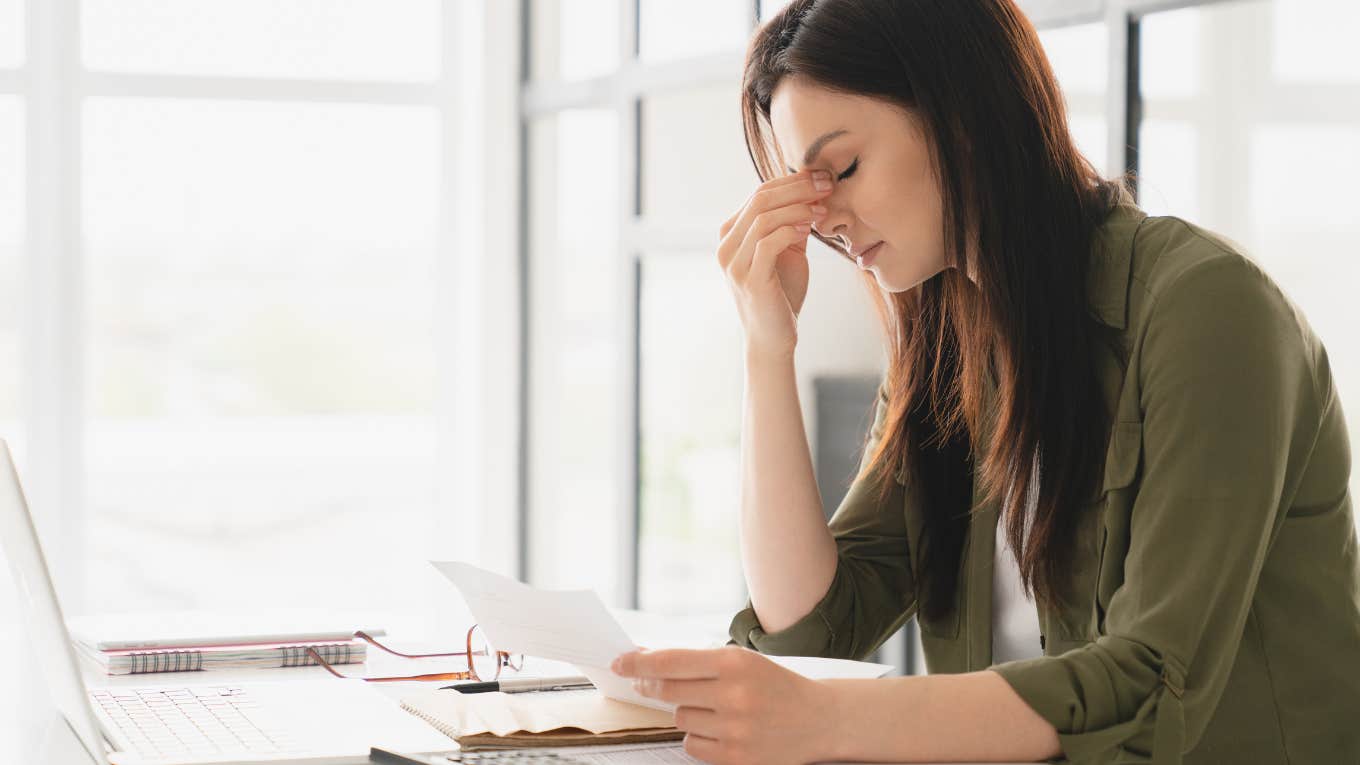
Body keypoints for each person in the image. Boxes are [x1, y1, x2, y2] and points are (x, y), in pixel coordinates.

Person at [610, 1, 1360, 763]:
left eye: (840, 169)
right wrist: (767, 350)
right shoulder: (944, 352)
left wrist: (831, 716)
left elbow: (1149, 688)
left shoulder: (1210, 310)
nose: (825, 218)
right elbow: (810, 625)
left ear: (959, 113)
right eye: (806, 187)